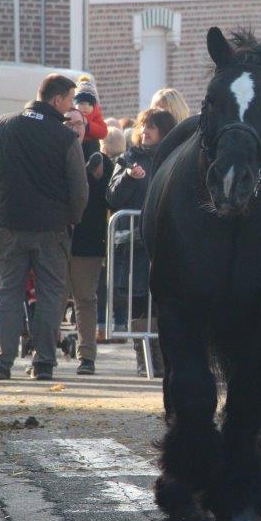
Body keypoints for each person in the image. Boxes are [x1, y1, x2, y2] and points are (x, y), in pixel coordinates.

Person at [0, 74, 88, 380]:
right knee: (49, 295)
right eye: (70, 99)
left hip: (11, 223)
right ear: (58, 100)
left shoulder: (4, 126)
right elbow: (78, 187)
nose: (71, 105)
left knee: (8, 291)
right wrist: (73, 217)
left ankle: (1, 360)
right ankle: (44, 362)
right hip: (52, 227)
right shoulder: (64, 138)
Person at [106, 107, 176, 376]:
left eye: (152, 127)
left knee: (163, 303)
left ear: (164, 131)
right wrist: (127, 177)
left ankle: (164, 360)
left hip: (167, 245)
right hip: (134, 244)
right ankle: (144, 361)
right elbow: (113, 198)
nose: (145, 131)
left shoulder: (172, 159)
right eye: (144, 126)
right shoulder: (128, 158)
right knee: (138, 303)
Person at [64, 108, 114, 374]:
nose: (73, 127)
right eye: (67, 121)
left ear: (86, 127)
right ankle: (44, 355)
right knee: (53, 299)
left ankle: (87, 357)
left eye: (78, 123)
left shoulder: (101, 159)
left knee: (85, 299)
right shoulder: (53, 152)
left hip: (87, 240)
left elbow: (110, 198)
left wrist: (98, 177)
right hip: (57, 237)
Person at [73, 75, 108, 144]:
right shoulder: (71, 114)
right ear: (75, 104)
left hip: (90, 144)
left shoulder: (96, 115)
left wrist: (88, 125)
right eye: (82, 103)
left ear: (93, 106)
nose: (85, 107)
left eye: (89, 104)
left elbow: (103, 132)